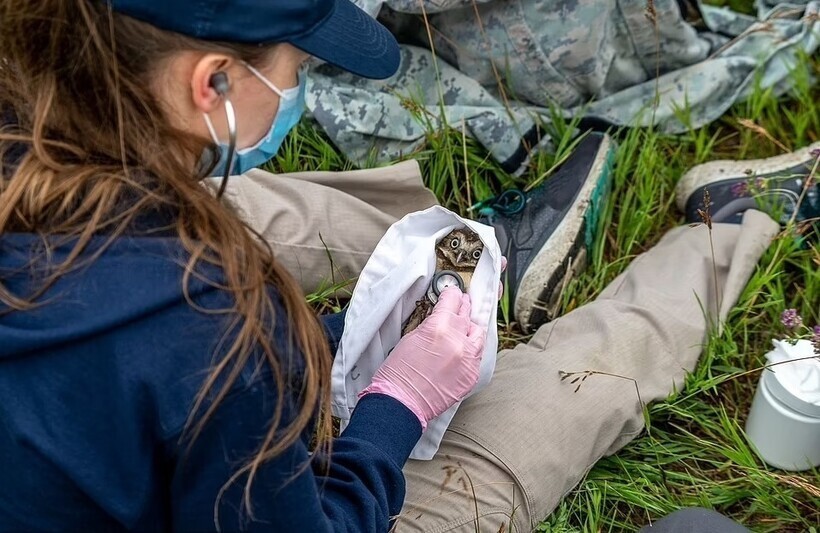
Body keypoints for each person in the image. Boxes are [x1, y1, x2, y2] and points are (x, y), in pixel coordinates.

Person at [1, 0, 817, 531]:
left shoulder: (29, 132)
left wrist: (328, 336)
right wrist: (395, 402)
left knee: (246, 203)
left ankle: (487, 249)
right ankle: (735, 222)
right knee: (535, 414)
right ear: (211, 81)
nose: (298, 91)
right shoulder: (209, 331)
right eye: (297, 71)